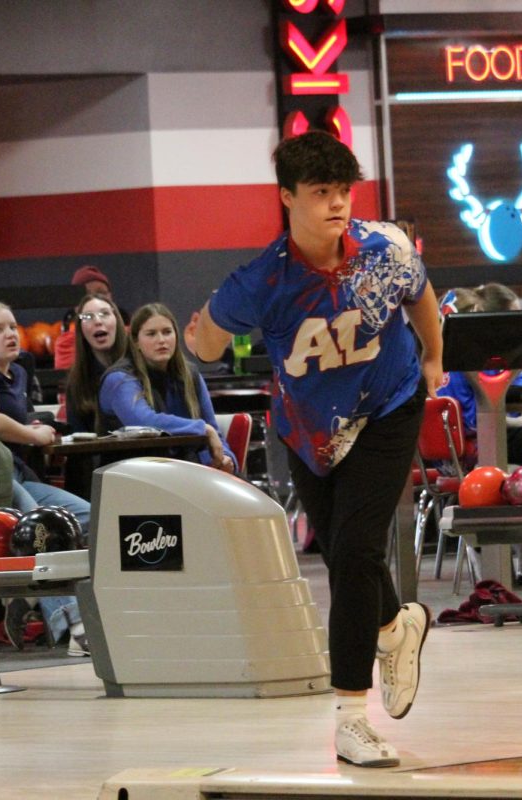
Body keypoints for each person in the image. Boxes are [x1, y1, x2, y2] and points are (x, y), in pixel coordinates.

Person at [193, 131, 442, 768]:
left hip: (389, 409)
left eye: (343, 190)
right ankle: (395, 627)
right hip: (309, 431)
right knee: (341, 557)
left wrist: (436, 359)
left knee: (358, 549)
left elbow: (422, 300)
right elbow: (207, 346)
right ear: (287, 198)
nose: (336, 203)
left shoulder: (384, 246)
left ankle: (352, 719)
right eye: (320, 192)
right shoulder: (261, 280)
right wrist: (201, 335)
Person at [0, 300, 93, 654]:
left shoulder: (18, 372)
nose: (9, 334)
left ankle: (29, 599)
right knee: (40, 529)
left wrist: (31, 428)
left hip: (13, 473)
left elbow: (12, 426)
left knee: (86, 516)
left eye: (11, 326)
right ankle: (74, 625)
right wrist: (32, 433)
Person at [435, 283, 522, 585]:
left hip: (444, 457)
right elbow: (477, 419)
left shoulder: (432, 356)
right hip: (472, 451)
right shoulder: (463, 362)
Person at [97, 302, 235, 471]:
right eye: (151, 334)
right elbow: (143, 422)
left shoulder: (190, 374)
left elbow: (213, 430)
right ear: (135, 341)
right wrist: (201, 429)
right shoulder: (119, 378)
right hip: (131, 474)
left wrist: (227, 459)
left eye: (167, 332)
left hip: (184, 470)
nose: (161, 340)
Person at [65, 294, 131, 435]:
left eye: (105, 314)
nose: (98, 321)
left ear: (117, 321)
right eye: (88, 317)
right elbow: (77, 437)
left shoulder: (139, 367)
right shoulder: (77, 381)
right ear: (80, 329)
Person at [54, 264, 129, 369]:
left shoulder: (131, 336)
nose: (94, 299)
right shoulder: (66, 344)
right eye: (86, 294)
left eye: (101, 293)